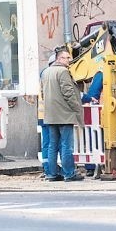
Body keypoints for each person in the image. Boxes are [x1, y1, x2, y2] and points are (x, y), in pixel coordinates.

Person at [81, 55, 116, 176]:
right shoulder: (102, 75)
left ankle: (97, 165)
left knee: (101, 139)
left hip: (111, 113)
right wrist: (94, 103)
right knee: (96, 139)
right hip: (100, 112)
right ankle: (91, 167)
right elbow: (94, 93)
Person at [41, 47, 85, 182]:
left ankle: (52, 174)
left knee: (52, 145)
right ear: (59, 59)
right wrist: (77, 108)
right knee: (66, 145)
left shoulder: (46, 72)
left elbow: (43, 92)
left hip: (50, 114)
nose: (69, 60)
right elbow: (68, 92)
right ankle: (69, 173)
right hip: (64, 114)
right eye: (66, 58)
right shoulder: (63, 72)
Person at [38, 53, 56, 178]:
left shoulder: (43, 75)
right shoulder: (51, 76)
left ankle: (47, 169)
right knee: (52, 143)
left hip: (42, 114)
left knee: (46, 143)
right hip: (50, 114)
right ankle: (51, 169)